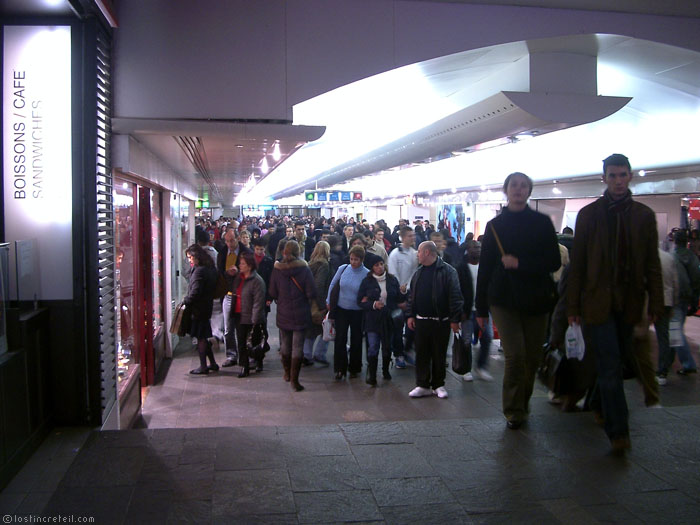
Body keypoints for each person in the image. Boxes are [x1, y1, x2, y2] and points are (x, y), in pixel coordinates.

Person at [567, 154, 664, 453]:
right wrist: (573, 307)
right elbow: (578, 264)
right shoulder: (589, 215)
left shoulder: (643, 216)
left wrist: (656, 304)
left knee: (618, 361)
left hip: (630, 301)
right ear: (604, 178)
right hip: (598, 302)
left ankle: (597, 401)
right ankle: (618, 431)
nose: (618, 181)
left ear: (630, 176)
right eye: (613, 176)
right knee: (609, 364)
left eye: (623, 175)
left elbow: (652, 264)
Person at [476, 172, 561, 429]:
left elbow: (553, 262)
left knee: (533, 357)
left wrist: (521, 263)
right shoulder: (495, 226)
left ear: (529, 191)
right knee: (515, 355)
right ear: (506, 190)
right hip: (504, 298)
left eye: (524, 186)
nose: (519, 189)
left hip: (536, 298)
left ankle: (522, 404)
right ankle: (513, 410)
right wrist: (480, 307)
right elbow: (486, 268)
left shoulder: (542, 223)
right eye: (514, 185)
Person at [406, 241, 463, 399]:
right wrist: (410, 315)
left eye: (419, 251)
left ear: (426, 252)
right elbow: (412, 296)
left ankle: (438, 384)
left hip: (441, 321)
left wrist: (454, 319)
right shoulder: (418, 273)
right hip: (421, 320)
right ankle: (422, 384)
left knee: (439, 353)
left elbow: (455, 296)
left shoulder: (448, 271)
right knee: (422, 353)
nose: (417, 254)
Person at [268, 241, 316, 391]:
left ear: (284, 253)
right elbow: (311, 292)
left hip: (283, 312)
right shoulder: (304, 269)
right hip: (301, 312)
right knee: (297, 347)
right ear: (298, 252)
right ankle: (295, 381)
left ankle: (287, 373)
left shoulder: (277, 269)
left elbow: (273, 292)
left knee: (285, 345)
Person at [358, 255, 404, 385]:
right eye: (376, 265)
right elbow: (360, 301)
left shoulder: (392, 279)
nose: (380, 267)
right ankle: (372, 374)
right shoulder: (367, 282)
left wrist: (403, 292)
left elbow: (398, 299)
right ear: (372, 268)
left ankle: (385, 370)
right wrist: (373, 305)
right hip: (373, 319)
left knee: (387, 346)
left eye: (381, 264)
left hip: (388, 319)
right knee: (373, 346)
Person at [326, 245, 369, 380]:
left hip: (358, 311)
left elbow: (370, 291)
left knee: (356, 339)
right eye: (351, 259)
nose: (353, 262)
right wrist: (328, 300)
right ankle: (340, 368)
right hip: (341, 309)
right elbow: (333, 285)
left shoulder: (367, 274)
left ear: (362, 259)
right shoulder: (343, 269)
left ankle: (355, 367)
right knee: (340, 339)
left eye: (356, 259)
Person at [457, 240, 493, 382]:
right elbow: (457, 290)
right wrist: (460, 310)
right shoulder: (461, 267)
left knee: (487, 337)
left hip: (483, 310)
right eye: (474, 248)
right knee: (466, 340)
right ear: (468, 250)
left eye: (479, 247)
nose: (477, 250)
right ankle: (466, 369)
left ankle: (481, 366)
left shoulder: (486, 266)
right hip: (467, 310)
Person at [217, 230, 252, 367]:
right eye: (227, 241)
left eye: (231, 240)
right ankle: (231, 354)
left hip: (243, 293)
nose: (229, 244)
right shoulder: (222, 253)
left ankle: (247, 355)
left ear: (237, 239)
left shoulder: (246, 252)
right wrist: (226, 273)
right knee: (228, 328)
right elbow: (219, 272)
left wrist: (240, 271)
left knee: (243, 327)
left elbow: (253, 270)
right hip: (228, 293)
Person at [183, 244, 219, 375]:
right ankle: (213, 363)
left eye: (190, 257)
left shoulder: (200, 271)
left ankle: (203, 366)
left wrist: (186, 301)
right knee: (203, 335)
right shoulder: (210, 268)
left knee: (201, 338)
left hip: (198, 309)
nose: (189, 260)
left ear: (196, 256)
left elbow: (196, 291)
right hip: (206, 306)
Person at [231, 251, 266, 377]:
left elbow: (258, 302)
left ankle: (258, 361)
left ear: (249, 265)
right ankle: (244, 366)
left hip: (251, 317)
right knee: (241, 343)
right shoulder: (239, 278)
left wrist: (255, 320)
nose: (240, 265)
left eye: (243, 263)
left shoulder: (257, 281)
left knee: (253, 342)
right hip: (239, 314)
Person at [387, 226, 418, 368]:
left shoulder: (414, 254)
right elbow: (393, 275)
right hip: (397, 296)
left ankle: (407, 351)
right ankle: (398, 354)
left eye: (413, 236)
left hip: (411, 295)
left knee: (411, 326)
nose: (412, 238)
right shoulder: (394, 254)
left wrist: (409, 289)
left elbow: (415, 273)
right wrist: (400, 295)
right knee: (397, 328)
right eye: (409, 236)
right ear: (403, 237)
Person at [670, 229, 700, 375]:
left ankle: (687, 363)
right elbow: (696, 281)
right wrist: (694, 301)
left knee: (675, 331)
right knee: (676, 329)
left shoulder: (673, 257)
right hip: (686, 298)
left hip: (676, 299)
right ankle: (670, 359)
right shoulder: (692, 257)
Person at [303, 241, 333, 367]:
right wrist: (323, 304)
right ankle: (319, 354)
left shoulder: (310, 264)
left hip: (309, 303)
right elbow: (320, 285)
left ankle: (306, 354)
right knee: (326, 329)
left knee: (310, 330)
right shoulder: (324, 265)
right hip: (319, 304)